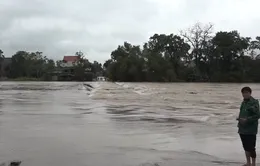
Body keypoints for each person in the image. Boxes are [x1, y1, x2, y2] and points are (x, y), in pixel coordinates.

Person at [237, 86, 260, 166]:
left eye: (247, 93)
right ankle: (248, 163)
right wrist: (239, 120)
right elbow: (242, 114)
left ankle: (253, 164)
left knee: (251, 147)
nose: (245, 94)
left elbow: (257, 115)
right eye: (243, 93)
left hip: (251, 129)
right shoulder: (243, 102)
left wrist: (247, 119)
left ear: (250, 93)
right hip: (242, 129)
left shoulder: (254, 102)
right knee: (245, 147)